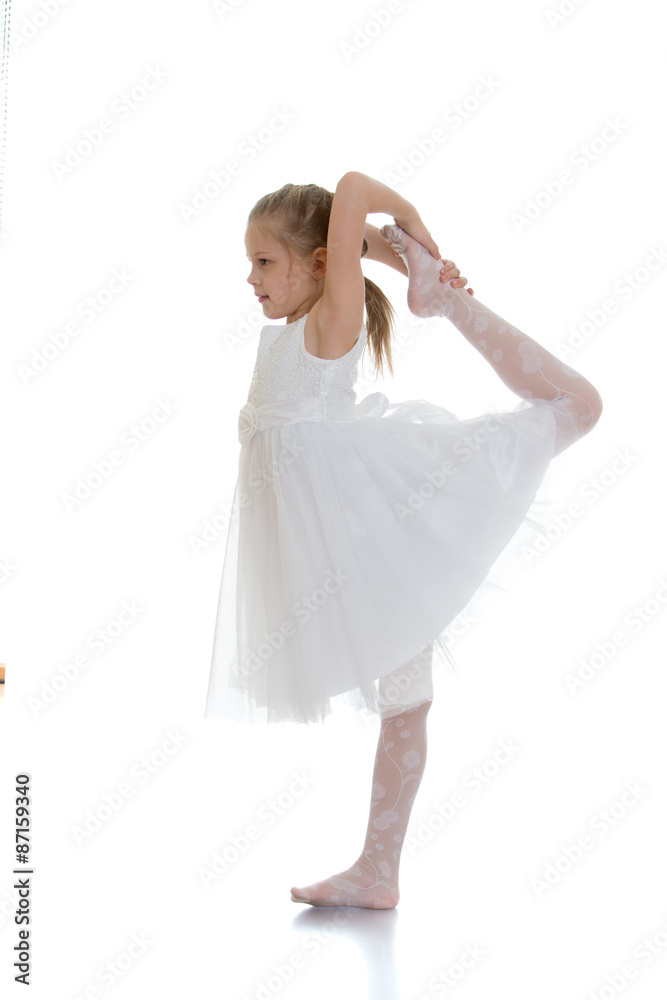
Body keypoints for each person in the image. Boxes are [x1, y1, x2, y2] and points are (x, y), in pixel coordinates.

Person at [204, 171, 603, 909]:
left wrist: (413, 225)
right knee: (405, 702)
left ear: (317, 265)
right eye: (250, 261)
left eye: (263, 261)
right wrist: (395, 253)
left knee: (578, 405)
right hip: (358, 548)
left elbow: (352, 186)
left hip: (384, 521)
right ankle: (377, 871)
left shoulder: (331, 322)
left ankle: (446, 301)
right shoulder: (292, 331)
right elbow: (339, 236)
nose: (250, 277)